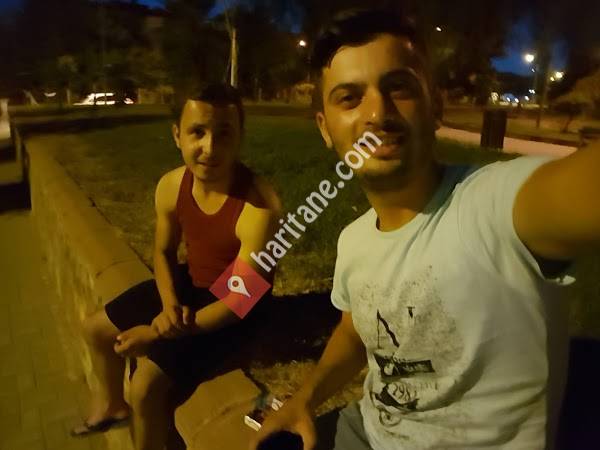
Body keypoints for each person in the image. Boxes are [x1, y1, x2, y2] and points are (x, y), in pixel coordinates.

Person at [251, 8, 599, 450]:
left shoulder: (496, 204)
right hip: (367, 431)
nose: (377, 113)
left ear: (435, 106)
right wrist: (305, 398)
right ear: (325, 128)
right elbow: (355, 331)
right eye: (349, 98)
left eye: (399, 87)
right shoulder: (353, 240)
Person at [72, 83, 280, 450]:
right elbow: (163, 251)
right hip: (191, 282)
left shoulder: (260, 206)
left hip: (236, 308)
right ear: (177, 136)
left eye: (224, 133)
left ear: (240, 137)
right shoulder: (171, 185)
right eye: (197, 132)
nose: (210, 148)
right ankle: (111, 406)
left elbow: (239, 301)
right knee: (95, 329)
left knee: (144, 387)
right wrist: (169, 305)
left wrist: (158, 333)